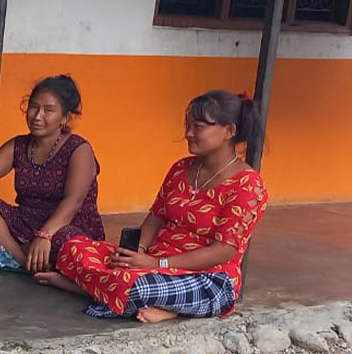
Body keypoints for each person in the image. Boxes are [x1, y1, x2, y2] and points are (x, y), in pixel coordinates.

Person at [50, 90, 268, 323]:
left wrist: (156, 264)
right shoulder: (181, 168)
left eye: (200, 126)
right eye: (188, 125)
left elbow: (223, 251)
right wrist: (137, 253)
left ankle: (85, 288)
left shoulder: (247, 185)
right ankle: (122, 296)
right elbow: (156, 217)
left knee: (136, 286)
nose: (189, 133)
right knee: (66, 243)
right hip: (153, 264)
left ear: (230, 131)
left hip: (207, 279)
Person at [0, 75, 104, 274]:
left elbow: (74, 201)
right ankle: (22, 258)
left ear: (65, 118)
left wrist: (44, 236)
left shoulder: (79, 149)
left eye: (48, 110)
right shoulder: (18, 145)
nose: (37, 116)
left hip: (66, 226)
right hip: (26, 223)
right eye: (34, 107)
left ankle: (27, 252)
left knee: (69, 244)